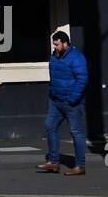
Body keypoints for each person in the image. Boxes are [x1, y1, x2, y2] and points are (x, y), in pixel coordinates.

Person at [36, 30, 88, 176]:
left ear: (65, 43)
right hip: (55, 101)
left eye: (57, 44)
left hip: (72, 103)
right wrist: (52, 94)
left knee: (76, 132)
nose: (54, 47)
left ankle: (80, 166)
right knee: (50, 126)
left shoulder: (76, 58)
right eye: (53, 44)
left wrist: (72, 99)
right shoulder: (54, 56)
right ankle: (53, 162)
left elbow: (82, 79)